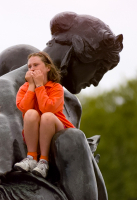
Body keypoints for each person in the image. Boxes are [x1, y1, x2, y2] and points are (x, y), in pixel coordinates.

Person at [14, 51, 75, 178]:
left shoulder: (56, 87)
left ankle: (44, 161)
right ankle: (31, 158)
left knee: (46, 116)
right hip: (35, 132)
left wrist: (40, 86)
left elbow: (47, 108)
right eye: (29, 66)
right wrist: (31, 86)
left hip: (57, 129)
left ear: (48, 68)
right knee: (30, 113)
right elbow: (25, 109)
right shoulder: (25, 88)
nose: (32, 69)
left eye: (36, 65)